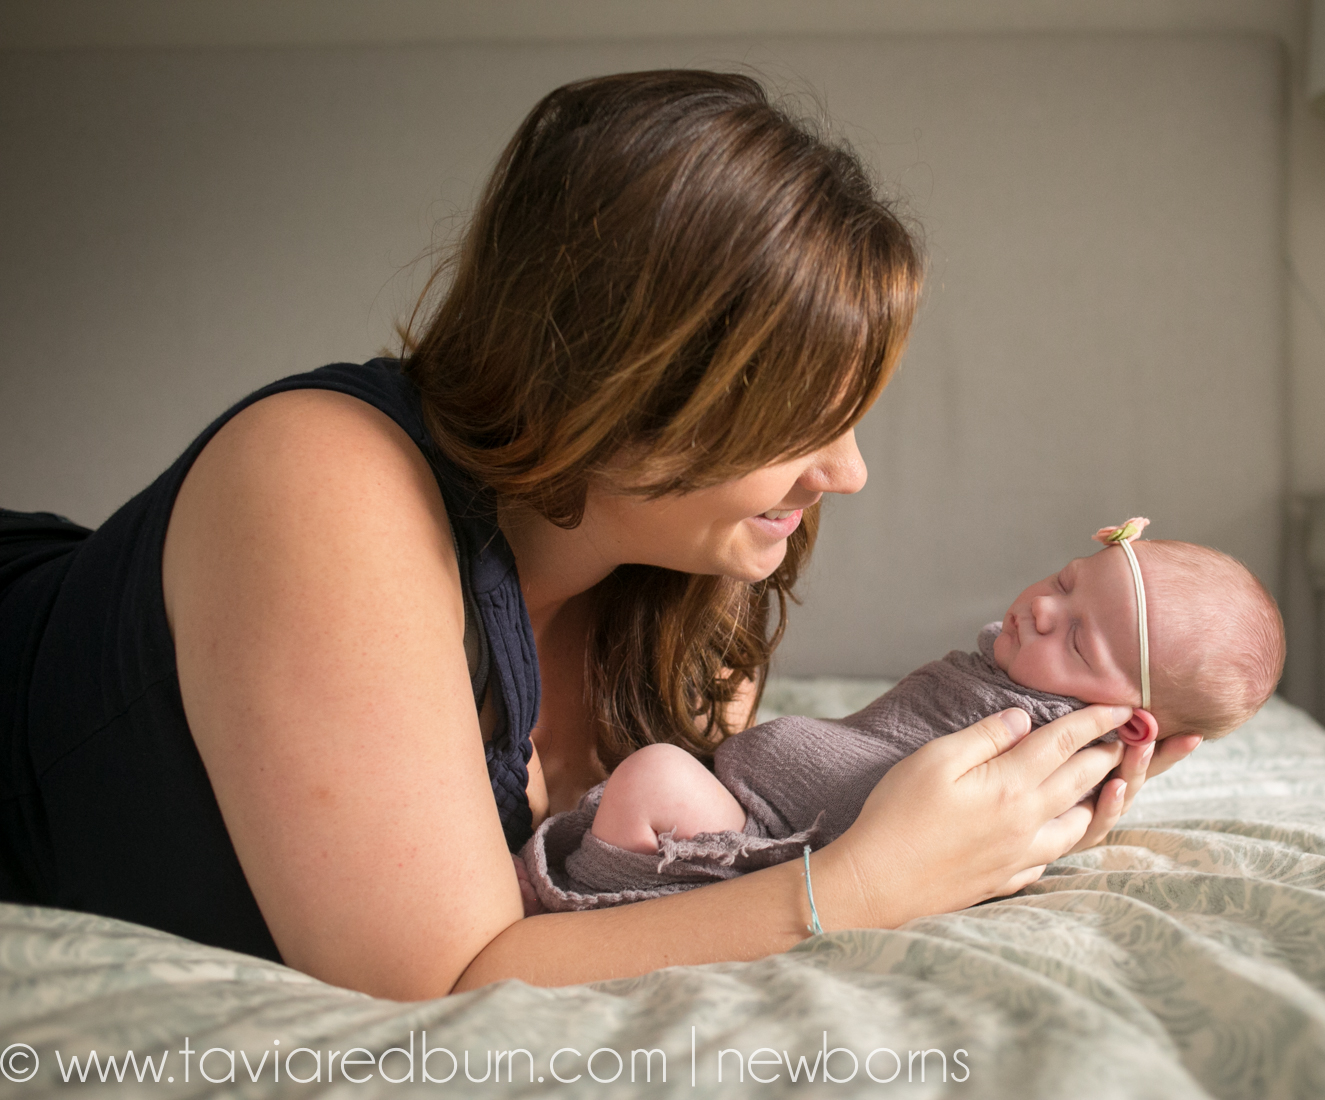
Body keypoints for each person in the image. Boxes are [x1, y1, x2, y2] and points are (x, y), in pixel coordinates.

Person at [0, 71, 1201, 1000]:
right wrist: (869, 885)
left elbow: (725, 854)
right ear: (628, 382)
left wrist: (1018, 801)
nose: (849, 470)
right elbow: (440, 981)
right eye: (803, 420)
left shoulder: (683, 585)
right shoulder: (323, 474)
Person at [520, 524, 1283, 911]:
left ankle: (580, 899)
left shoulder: (1047, 742)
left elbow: (993, 828)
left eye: (1079, 639)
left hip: (779, 844)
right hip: (756, 798)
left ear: (1130, 725)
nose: (1044, 609)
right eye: (1064, 582)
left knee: (653, 777)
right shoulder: (1016, 668)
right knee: (651, 781)